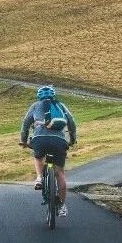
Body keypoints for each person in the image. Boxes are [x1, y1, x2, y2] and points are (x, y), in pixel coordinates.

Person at [19, 85, 77, 217]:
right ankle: (61, 206)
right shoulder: (60, 106)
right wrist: (72, 140)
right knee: (60, 173)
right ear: (53, 95)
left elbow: (25, 124)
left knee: (38, 157)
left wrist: (23, 140)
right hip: (59, 141)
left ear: (39, 96)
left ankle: (39, 178)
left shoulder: (35, 106)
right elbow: (71, 123)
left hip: (40, 140)